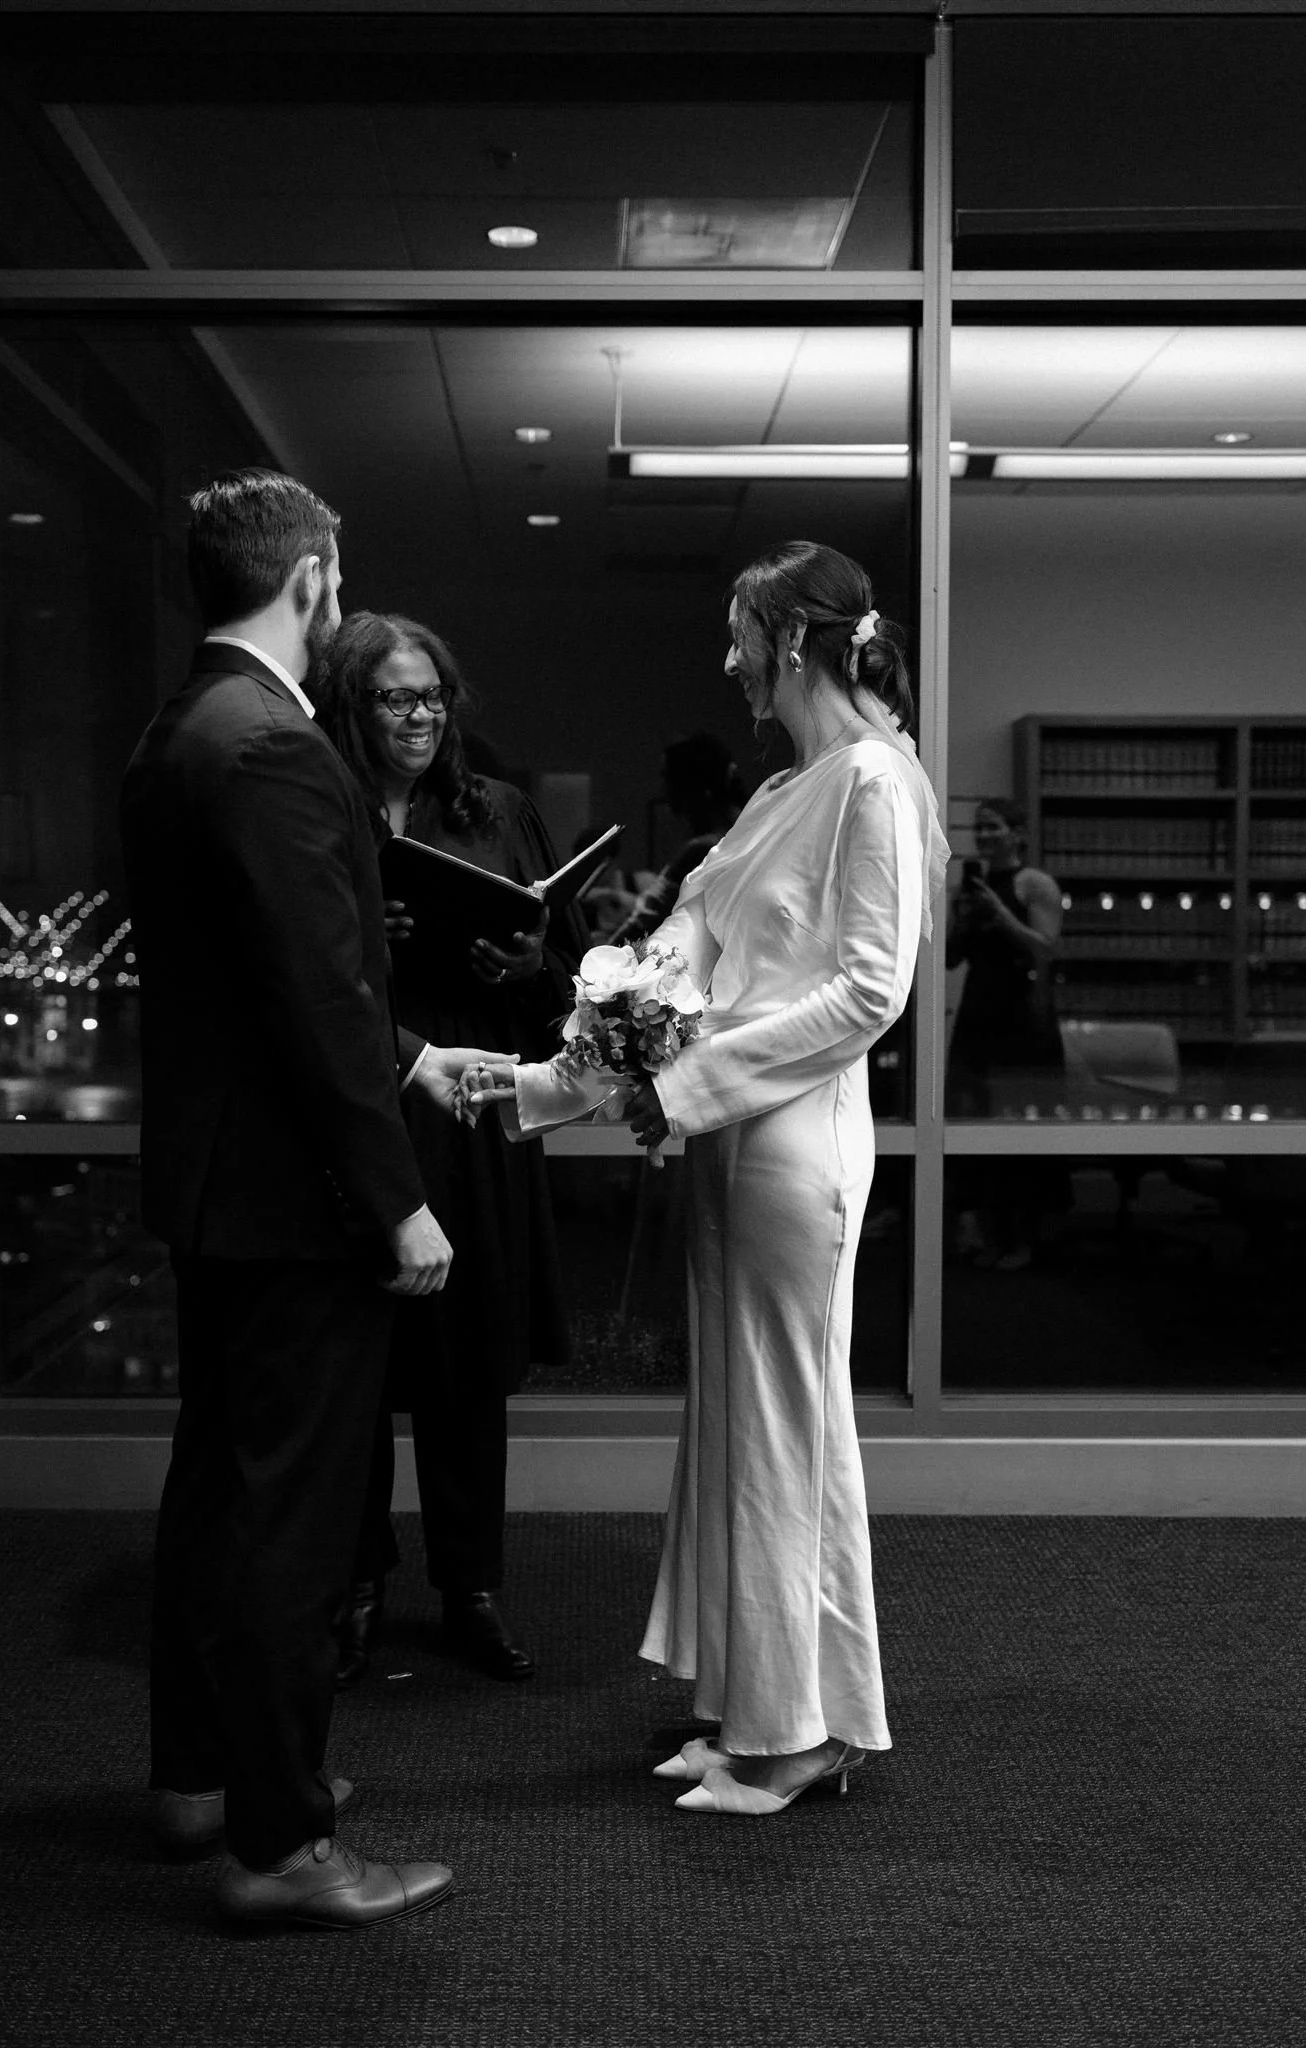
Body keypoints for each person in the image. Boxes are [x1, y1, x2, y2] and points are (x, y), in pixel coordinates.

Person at [471, 541, 948, 1817]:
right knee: (738, 1434)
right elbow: (682, 958)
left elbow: (864, 996)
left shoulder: (873, 784)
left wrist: (678, 1087)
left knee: (788, 1434)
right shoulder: (781, 790)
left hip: (790, 1152)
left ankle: (800, 1737)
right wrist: (537, 1084)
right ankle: (754, 1709)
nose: (726, 657)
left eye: (737, 633)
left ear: (791, 639)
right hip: (735, 1149)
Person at [119, 468, 507, 1932]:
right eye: (336, 576)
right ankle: (281, 1848)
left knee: (219, 1493)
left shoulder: (180, 731)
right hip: (296, 1210)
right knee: (292, 1524)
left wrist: (416, 1054)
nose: (339, 596)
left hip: (220, 1195)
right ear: (309, 578)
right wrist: (397, 1201)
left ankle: (201, 1782)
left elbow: (258, 977)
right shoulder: (275, 745)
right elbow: (311, 997)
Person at [315, 612, 585, 1685]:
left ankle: (470, 1585)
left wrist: (524, 964)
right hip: (363, 1116)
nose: (420, 714)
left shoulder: (497, 811)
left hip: (474, 1116)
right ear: (352, 704)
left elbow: (567, 972)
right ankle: (362, 1579)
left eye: (432, 696)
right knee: (360, 1363)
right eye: (393, 696)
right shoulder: (321, 809)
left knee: (469, 1367)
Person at [945, 799, 1067, 1268]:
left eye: (994, 827)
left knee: (1022, 1121)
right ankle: (985, 1232)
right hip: (980, 1010)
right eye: (980, 828)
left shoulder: (1034, 883)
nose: (986, 836)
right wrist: (966, 916)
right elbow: (953, 958)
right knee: (974, 1117)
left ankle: (1025, 1239)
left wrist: (1001, 913)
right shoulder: (969, 889)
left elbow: (1045, 949)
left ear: (1017, 833)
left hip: (1024, 1015)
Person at [612, 733, 747, 944]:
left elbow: (645, 922)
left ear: (689, 782)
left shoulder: (702, 849)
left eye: (667, 777)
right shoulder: (748, 829)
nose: (662, 789)